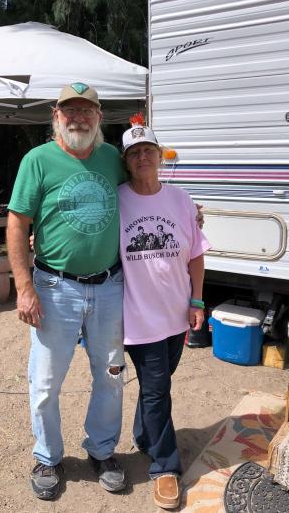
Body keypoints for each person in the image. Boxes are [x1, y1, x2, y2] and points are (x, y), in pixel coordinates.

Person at [7, 83, 127, 501]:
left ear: (99, 118)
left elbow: (145, 191)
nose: (78, 118)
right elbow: (17, 224)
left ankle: (101, 450)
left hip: (109, 286)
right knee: (45, 381)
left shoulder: (113, 159)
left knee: (111, 376)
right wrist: (24, 287)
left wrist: (186, 211)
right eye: (69, 111)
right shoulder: (37, 161)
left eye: (86, 111)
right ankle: (48, 456)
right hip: (54, 287)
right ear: (56, 116)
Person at [118, 124, 210, 510]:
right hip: (139, 316)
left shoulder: (182, 199)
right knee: (158, 390)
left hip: (177, 313)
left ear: (159, 155)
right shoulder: (117, 200)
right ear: (126, 161)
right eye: (135, 152)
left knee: (157, 385)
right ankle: (165, 467)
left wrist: (198, 301)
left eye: (148, 150)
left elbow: (196, 255)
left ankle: (144, 435)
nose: (143, 157)